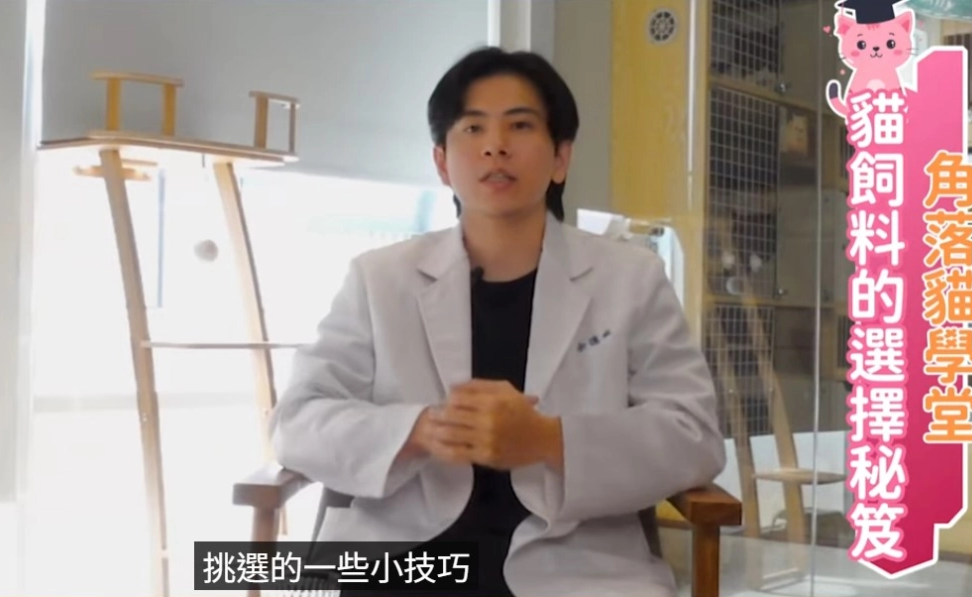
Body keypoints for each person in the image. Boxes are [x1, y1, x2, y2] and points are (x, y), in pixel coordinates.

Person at [269, 46, 726, 597]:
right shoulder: (379, 278)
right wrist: (419, 430)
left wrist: (549, 440)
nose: (495, 145)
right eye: (473, 127)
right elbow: (297, 421)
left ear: (560, 159)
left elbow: (693, 435)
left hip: (576, 563)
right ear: (442, 162)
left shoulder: (630, 278)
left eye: (520, 125)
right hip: (402, 559)